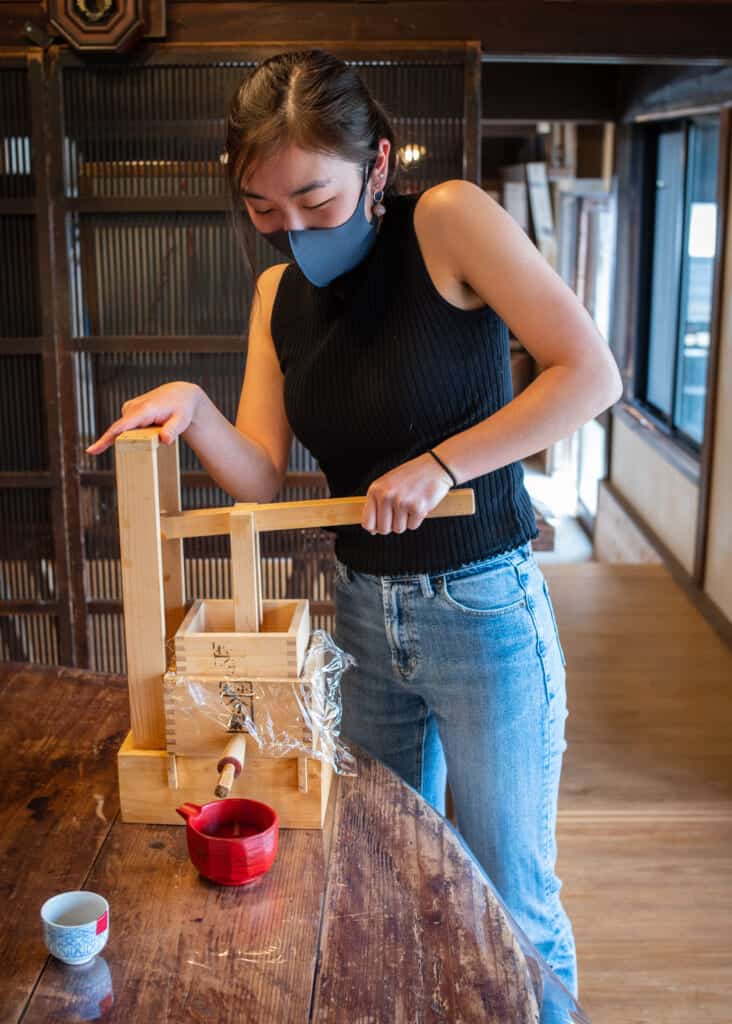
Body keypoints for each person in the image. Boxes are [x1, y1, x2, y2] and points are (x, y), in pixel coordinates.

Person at [87, 49, 622, 1001]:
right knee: (385, 878)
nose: (291, 230)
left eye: (315, 201)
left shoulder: (450, 222)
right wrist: (199, 411)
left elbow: (589, 374)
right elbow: (262, 473)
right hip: (364, 616)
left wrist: (444, 462)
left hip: (483, 606)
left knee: (511, 899)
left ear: (377, 167)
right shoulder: (274, 298)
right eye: (262, 209)